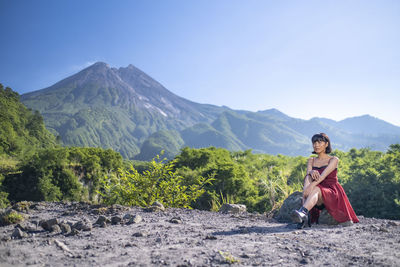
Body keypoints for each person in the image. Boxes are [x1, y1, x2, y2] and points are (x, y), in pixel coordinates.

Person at [291, 133, 359, 228]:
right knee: (308, 176)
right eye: (314, 142)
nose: (316, 145)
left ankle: (303, 213)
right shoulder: (311, 160)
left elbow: (322, 176)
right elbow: (308, 176)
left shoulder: (333, 159)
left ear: (326, 144)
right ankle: (304, 214)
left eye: (319, 142)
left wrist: (310, 187)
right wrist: (311, 172)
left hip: (331, 191)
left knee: (316, 188)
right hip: (315, 194)